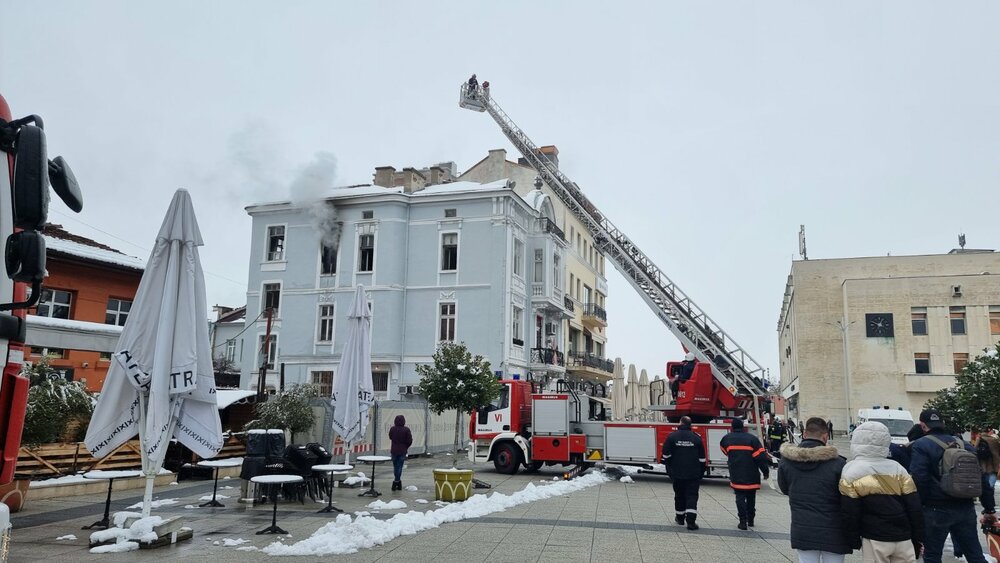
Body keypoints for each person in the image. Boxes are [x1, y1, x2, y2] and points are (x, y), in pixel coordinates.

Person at [909, 409, 993, 563]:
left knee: (932, 555)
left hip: (936, 508)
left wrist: (920, 505)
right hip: (965, 507)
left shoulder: (921, 445)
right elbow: (981, 478)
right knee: (975, 555)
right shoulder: (964, 445)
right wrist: (989, 509)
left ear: (922, 425)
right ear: (943, 423)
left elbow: (919, 478)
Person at [839, 421, 923, 562]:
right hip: (902, 535)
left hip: (874, 536)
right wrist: (918, 536)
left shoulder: (850, 471)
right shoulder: (898, 469)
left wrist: (853, 538)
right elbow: (914, 506)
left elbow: (850, 511)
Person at [778, 416, 852, 562]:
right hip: (834, 530)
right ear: (825, 437)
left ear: (804, 434)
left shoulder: (786, 461)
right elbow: (846, 496)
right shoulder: (838, 463)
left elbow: (785, 489)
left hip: (803, 528)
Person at [720, 417, 770, 530]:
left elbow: (724, 450)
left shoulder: (726, 439)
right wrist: (765, 472)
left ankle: (742, 521)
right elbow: (761, 458)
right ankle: (751, 519)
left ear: (732, 427)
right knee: (751, 497)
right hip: (752, 474)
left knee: (739, 497)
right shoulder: (752, 439)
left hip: (736, 473)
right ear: (743, 427)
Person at [662, 415, 706, 530]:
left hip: (677, 472)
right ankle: (691, 522)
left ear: (680, 423)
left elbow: (666, 454)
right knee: (692, 496)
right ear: (690, 425)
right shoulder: (696, 438)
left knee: (679, 495)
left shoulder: (672, 437)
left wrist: (671, 466)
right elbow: (702, 458)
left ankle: (680, 518)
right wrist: (701, 472)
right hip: (693, 473)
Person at [388, 415, 412, 491]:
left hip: (394, 450)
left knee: (395, 466)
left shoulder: (392, 429)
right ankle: (396, 481)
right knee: (400, 466)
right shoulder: (406, 430)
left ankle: (397, 482)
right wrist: (405, 447)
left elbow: (390, 437)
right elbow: (409, 440)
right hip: (402, 451)